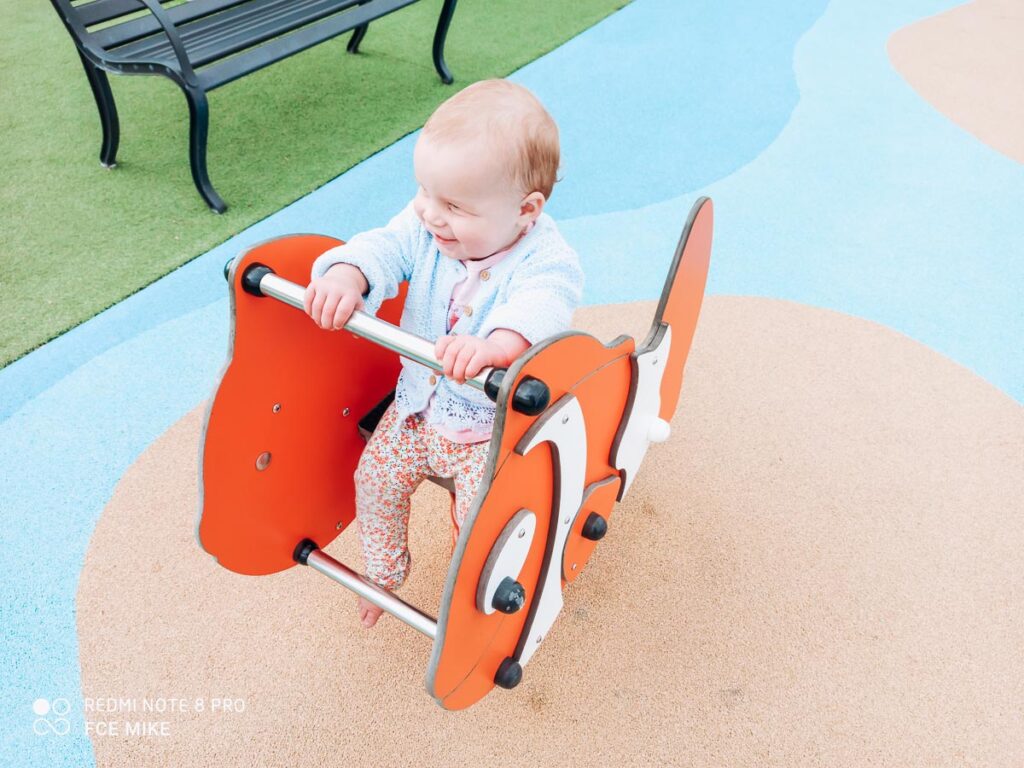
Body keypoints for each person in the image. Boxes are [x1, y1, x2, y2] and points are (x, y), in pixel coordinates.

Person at [303, 79, 584, 628]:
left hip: (491, 428)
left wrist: (495, 347)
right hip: (417, 409)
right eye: (424, 192)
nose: (430, 214)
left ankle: (479, 598)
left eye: (453, 205)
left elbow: (543, 305)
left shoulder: (546, 259)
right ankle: (383, 574)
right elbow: (385, 244)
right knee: (374, 479)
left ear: (526, 210)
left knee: (479, 520)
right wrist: (350, 272)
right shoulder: (426, 227)